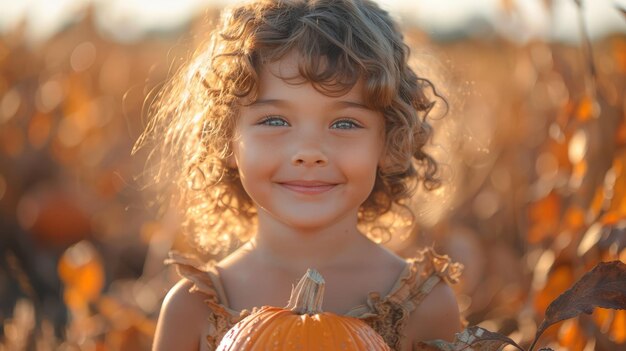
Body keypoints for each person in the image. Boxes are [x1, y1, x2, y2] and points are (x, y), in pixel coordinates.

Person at [140, 0, 464, 349]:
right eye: (275, 121)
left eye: (345, 123)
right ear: (227, 139)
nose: (309, 152)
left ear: (389, 142)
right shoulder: (192, 310)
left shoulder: (426, 307)